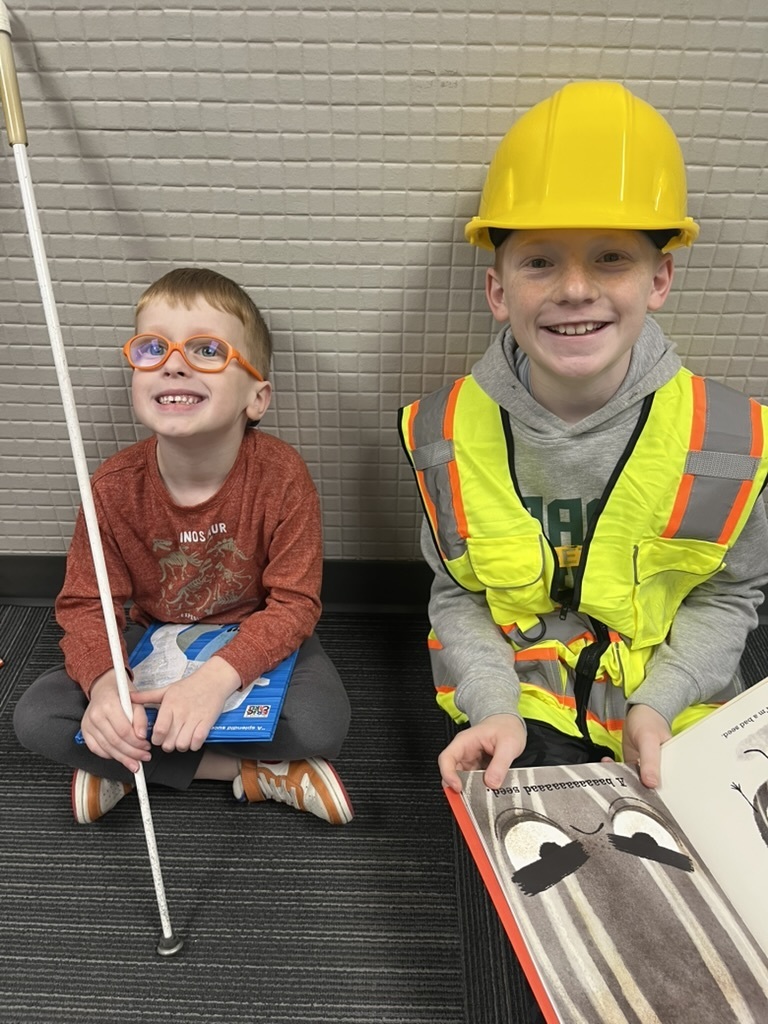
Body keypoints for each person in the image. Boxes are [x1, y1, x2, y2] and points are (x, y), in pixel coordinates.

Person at [399, 80, 768, 796]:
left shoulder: (727, 437)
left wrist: (657, 704)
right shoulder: (445, 431)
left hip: (674, 699)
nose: (574, 289)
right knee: (530, 881)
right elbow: (458, 595)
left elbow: (729, 598)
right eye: (540, 261)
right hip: (516, 701)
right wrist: (493, 705)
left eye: (611, 258)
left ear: (659, 277)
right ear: (498, 290)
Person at [14, 267, 354, 826]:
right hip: (150, 640)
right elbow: (85, 604)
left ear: (257, 397)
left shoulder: (282, 476)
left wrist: (217, 680)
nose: (172, 363)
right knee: (36, 717)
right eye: (152, 348)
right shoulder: (111, 488)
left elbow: (295, 605)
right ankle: (257, 774)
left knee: (320, 722)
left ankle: (123, 765)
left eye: (206, 349)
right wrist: (104, 689)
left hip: (253, 641)